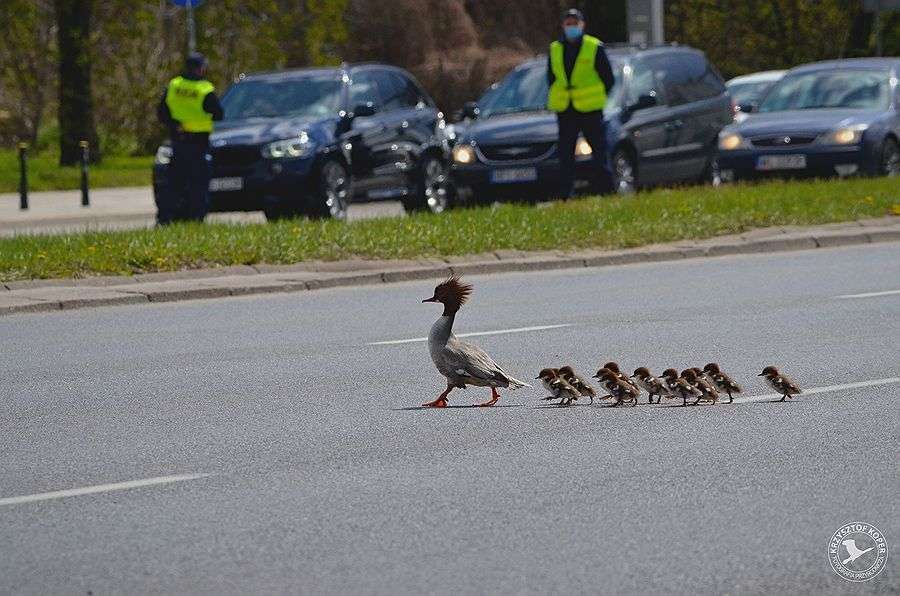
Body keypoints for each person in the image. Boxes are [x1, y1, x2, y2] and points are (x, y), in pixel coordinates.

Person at [547, 8, 616, 198]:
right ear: (563, 26)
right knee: (565, 153)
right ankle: (566, 194)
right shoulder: (555, 48)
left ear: (582, 25)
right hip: (566, 108)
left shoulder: (594, 46)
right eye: (568, 24)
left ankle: (606, 190)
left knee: (599, 151)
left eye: (575, 23)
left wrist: (597, 97)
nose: (571, 27)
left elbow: (608, 78)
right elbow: (551, 78)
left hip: (590, 109)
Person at [156, 52, 224, 224]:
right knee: (198, 184)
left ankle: (166, 218)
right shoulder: (204, 89)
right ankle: (196, 218)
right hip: (198, 144)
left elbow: (162, 112)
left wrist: (175, 124)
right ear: (201, 68)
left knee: (174, 183)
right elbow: (218, 113)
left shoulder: (174, 85)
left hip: (178, 142)